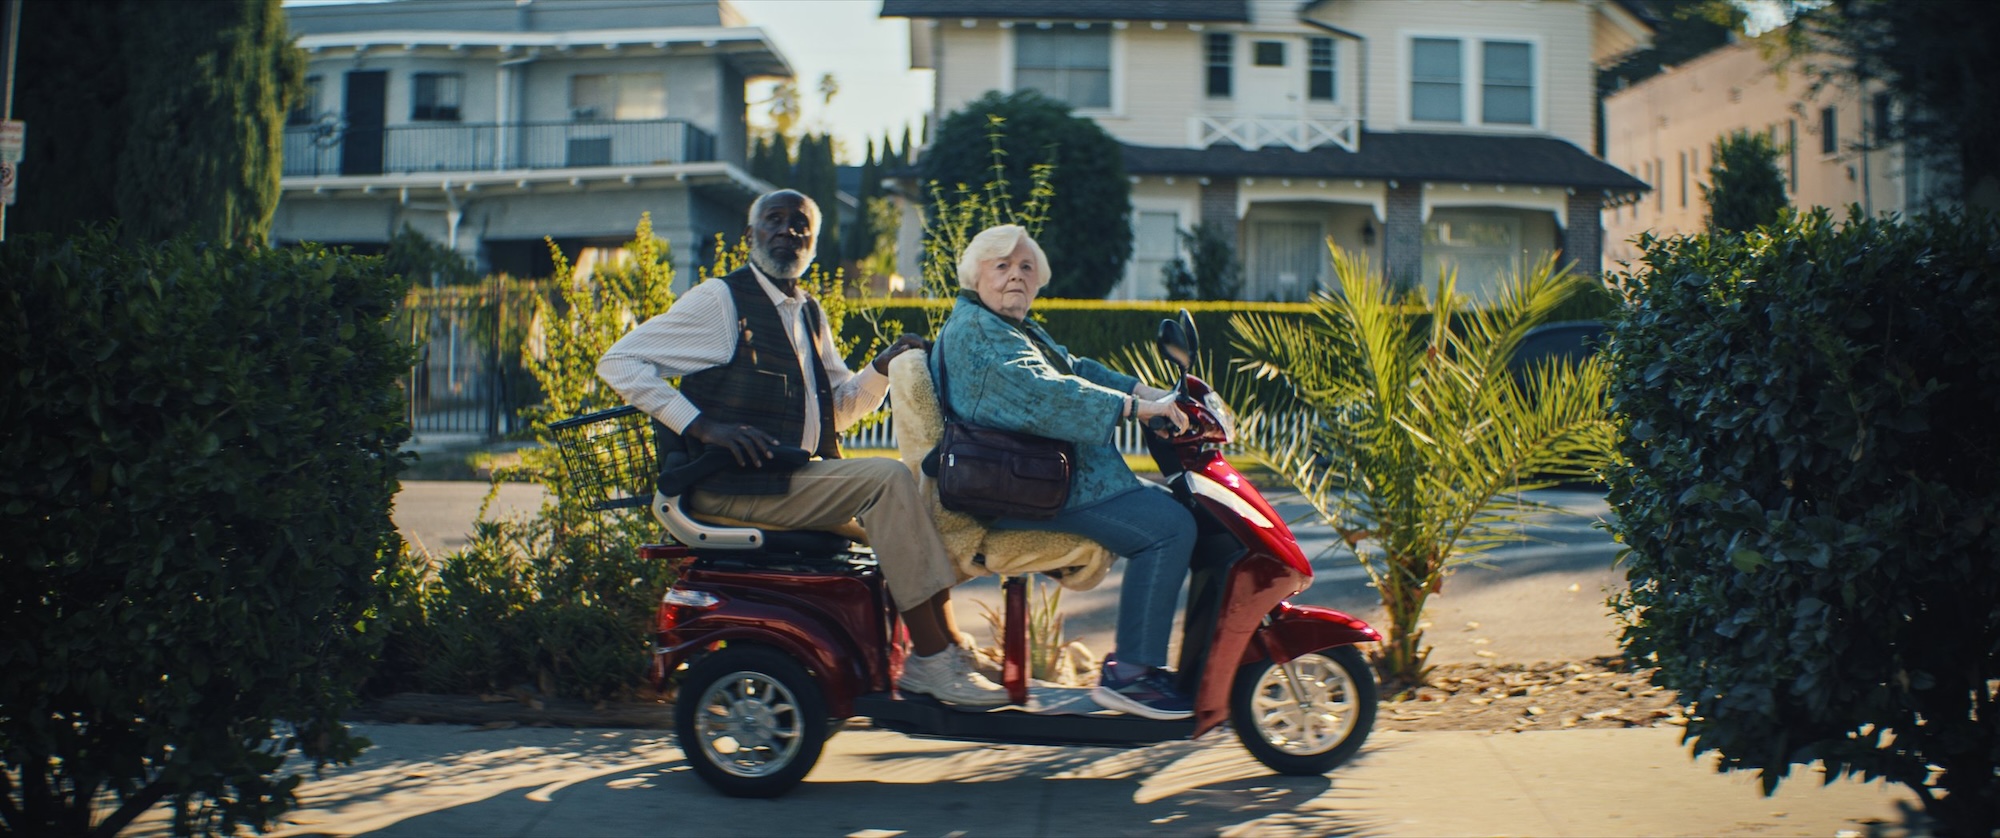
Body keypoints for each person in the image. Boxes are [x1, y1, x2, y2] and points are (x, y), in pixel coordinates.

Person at [597, 189, 1006, 707]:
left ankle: (947, 649)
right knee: (886, 481)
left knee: (918, 511)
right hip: (732, 485)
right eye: (775, 220)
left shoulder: (807, 311)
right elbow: (619, 362)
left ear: (812, 243)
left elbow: (835, 408)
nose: (788, 231)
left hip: (784, 479)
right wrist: (702, 427)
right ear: (750, 236)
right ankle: (931, 661)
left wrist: (880, 368)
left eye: (800, 224)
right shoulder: (719, 302)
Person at [931, 224, 1199, 720]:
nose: (1015, 276)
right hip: (1022, 489)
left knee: (1180, 508)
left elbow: (1073, 368)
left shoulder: (1010, 327)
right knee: (1171, 527)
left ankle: (1148, 664)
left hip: (1044, 478)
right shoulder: (977, 333)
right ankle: (1134, 675)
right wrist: (1133, 409)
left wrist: (1149, 394)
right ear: (976, 275)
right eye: (1002, 265)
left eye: (1026, 267)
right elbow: (1040, 393)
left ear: (1037, 283)